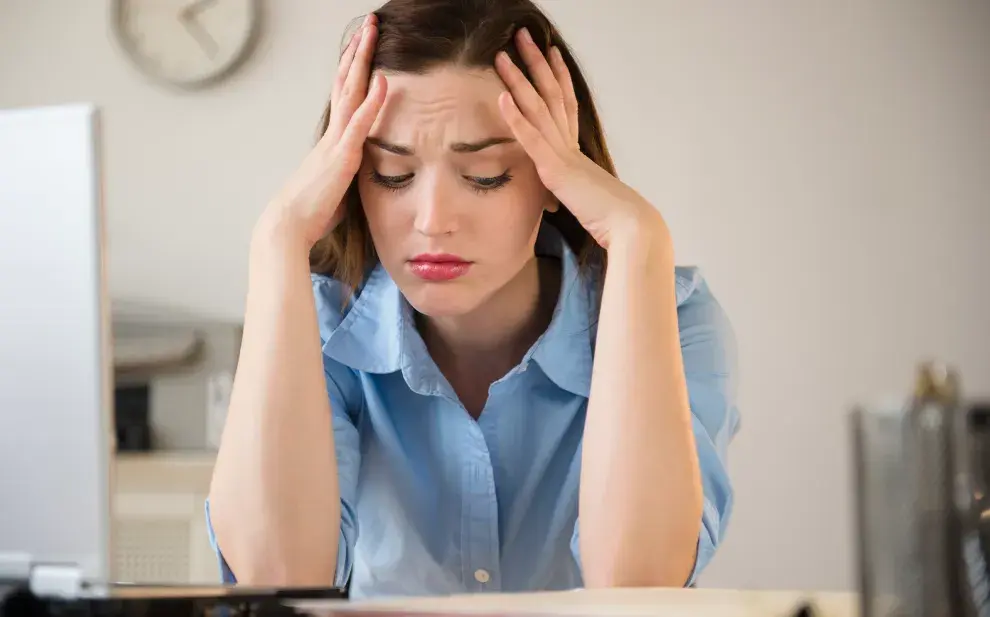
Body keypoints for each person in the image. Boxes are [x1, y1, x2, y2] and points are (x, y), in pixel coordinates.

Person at [206, 0, 740, 600]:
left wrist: (638, 238)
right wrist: (277, 239)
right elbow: (277, 584)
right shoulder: (322, 325)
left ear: (556, 177)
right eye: (391, 175)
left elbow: (639, 586)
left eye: (485, 176)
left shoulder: (674, 316)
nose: (433, 222)